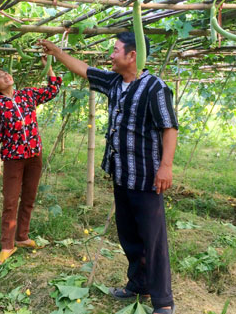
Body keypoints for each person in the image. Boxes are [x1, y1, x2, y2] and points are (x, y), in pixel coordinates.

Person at [39, 33, 178, 314]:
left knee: (153, 241)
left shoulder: (155, 87)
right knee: (129, 237)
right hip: (121, 175)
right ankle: (138, 285)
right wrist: (56, 52)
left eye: (115, 50)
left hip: (146, 178)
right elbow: (84, 70)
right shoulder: (115, 82)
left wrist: (166, 166)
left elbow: (169, 127)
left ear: (132, 56)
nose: (110, 55)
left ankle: (163, 301)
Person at [0, 56, 62, 267]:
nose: (6, 76)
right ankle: (6, 246)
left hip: (34, 155)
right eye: (0, 77)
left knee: (29, 197)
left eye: (6, 73)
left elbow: (53, 90)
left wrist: (48, 67)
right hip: (13, 158)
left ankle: (22, 236)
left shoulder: (27, 95)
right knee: (11, 201)